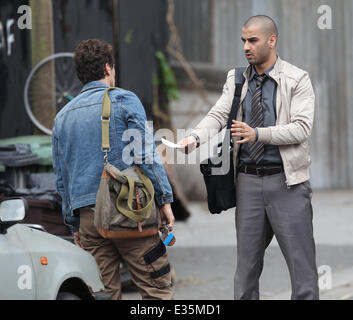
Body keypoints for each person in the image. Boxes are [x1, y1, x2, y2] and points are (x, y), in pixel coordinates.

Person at [178, 15, 319, 300]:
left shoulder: (297, 79)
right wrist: (194, 137)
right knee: (245, 273)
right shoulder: (237, 78)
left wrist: (258, 134)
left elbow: (302, 128)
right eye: (243, 40)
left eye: (252, 40)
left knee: (302, 274)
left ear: (272, 40)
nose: (246, 46)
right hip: (247, 183)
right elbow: (219, 114)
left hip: (287, 183)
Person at [52, 39, 175, 300]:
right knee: (156, 289)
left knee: (102, 294)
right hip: (131, 214)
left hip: (89, 222)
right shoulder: (123, 99)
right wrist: (164, 200)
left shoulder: (62, 117)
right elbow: (145, 154)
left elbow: (61, 179)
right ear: (108, 68)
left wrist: (74, 227)